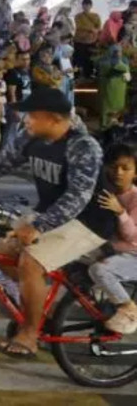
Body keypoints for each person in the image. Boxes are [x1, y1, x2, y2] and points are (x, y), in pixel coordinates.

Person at [0, 87, 116, 359]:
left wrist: (38, 226)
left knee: (30, 263)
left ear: (53, 119)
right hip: (50, 213)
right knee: (1, 252)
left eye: (32, 115)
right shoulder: (29, 138)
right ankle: (41, 312)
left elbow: (78, 196)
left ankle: (30, 334)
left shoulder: (83, 147)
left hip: (89, 221)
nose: (25, 119)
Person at [88, 143, 137, 334]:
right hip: (112, 248)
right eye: (114, 167)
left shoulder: (134, 197)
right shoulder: (107, 191)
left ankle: (129, 308)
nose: (118, 172)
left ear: (135, 173)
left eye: (125, 168)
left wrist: (120, 212)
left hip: (133, 254)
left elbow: (132, 236)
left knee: (99, 270)